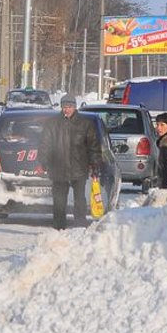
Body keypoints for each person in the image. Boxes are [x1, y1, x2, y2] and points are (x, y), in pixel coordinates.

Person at [37, 93, 102, 230]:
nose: (66, 109)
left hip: (79, 168)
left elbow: (94, 147)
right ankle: (59, 228)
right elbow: (45, 144)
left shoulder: (85, 124)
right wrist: (43, 162)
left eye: (69, 106)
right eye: (64, 107)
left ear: (74, 107)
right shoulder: (52, 123)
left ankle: (80, 227)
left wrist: (95, 165)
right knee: (59, 202)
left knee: (79, 201)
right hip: (58, 169)